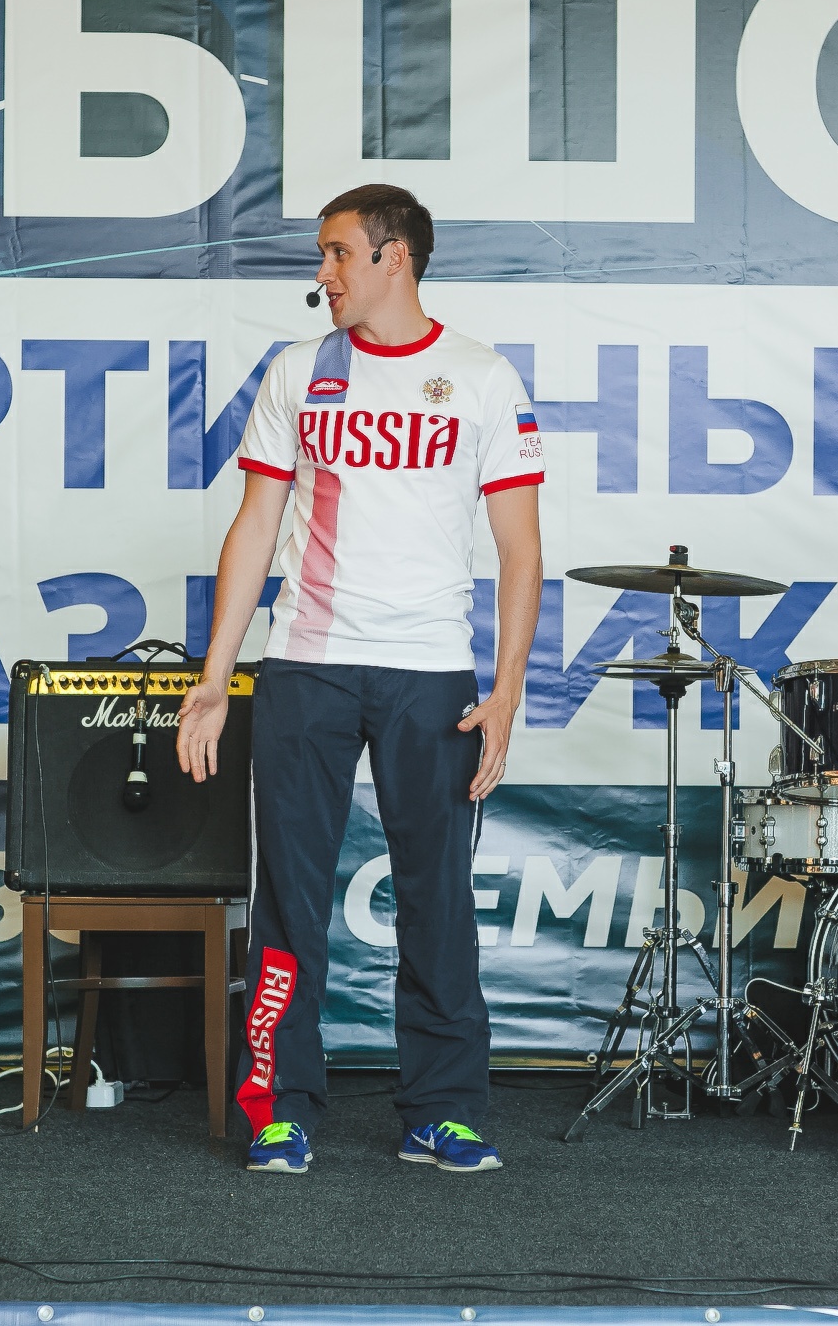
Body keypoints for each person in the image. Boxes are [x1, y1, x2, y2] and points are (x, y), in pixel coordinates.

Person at [176, 183, 543, 1175]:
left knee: (438, 897)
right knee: (288, 899)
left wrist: (506, 689)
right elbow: (255, 525)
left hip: (431, 673)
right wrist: (215, 674)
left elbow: (520, 550)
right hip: (307, 666)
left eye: (339, 252)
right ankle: (279, 1107)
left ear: (394, 257)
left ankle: (443, 1109)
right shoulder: (299, 371)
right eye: (322, 253)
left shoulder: (481, 376)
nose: (323, 272)